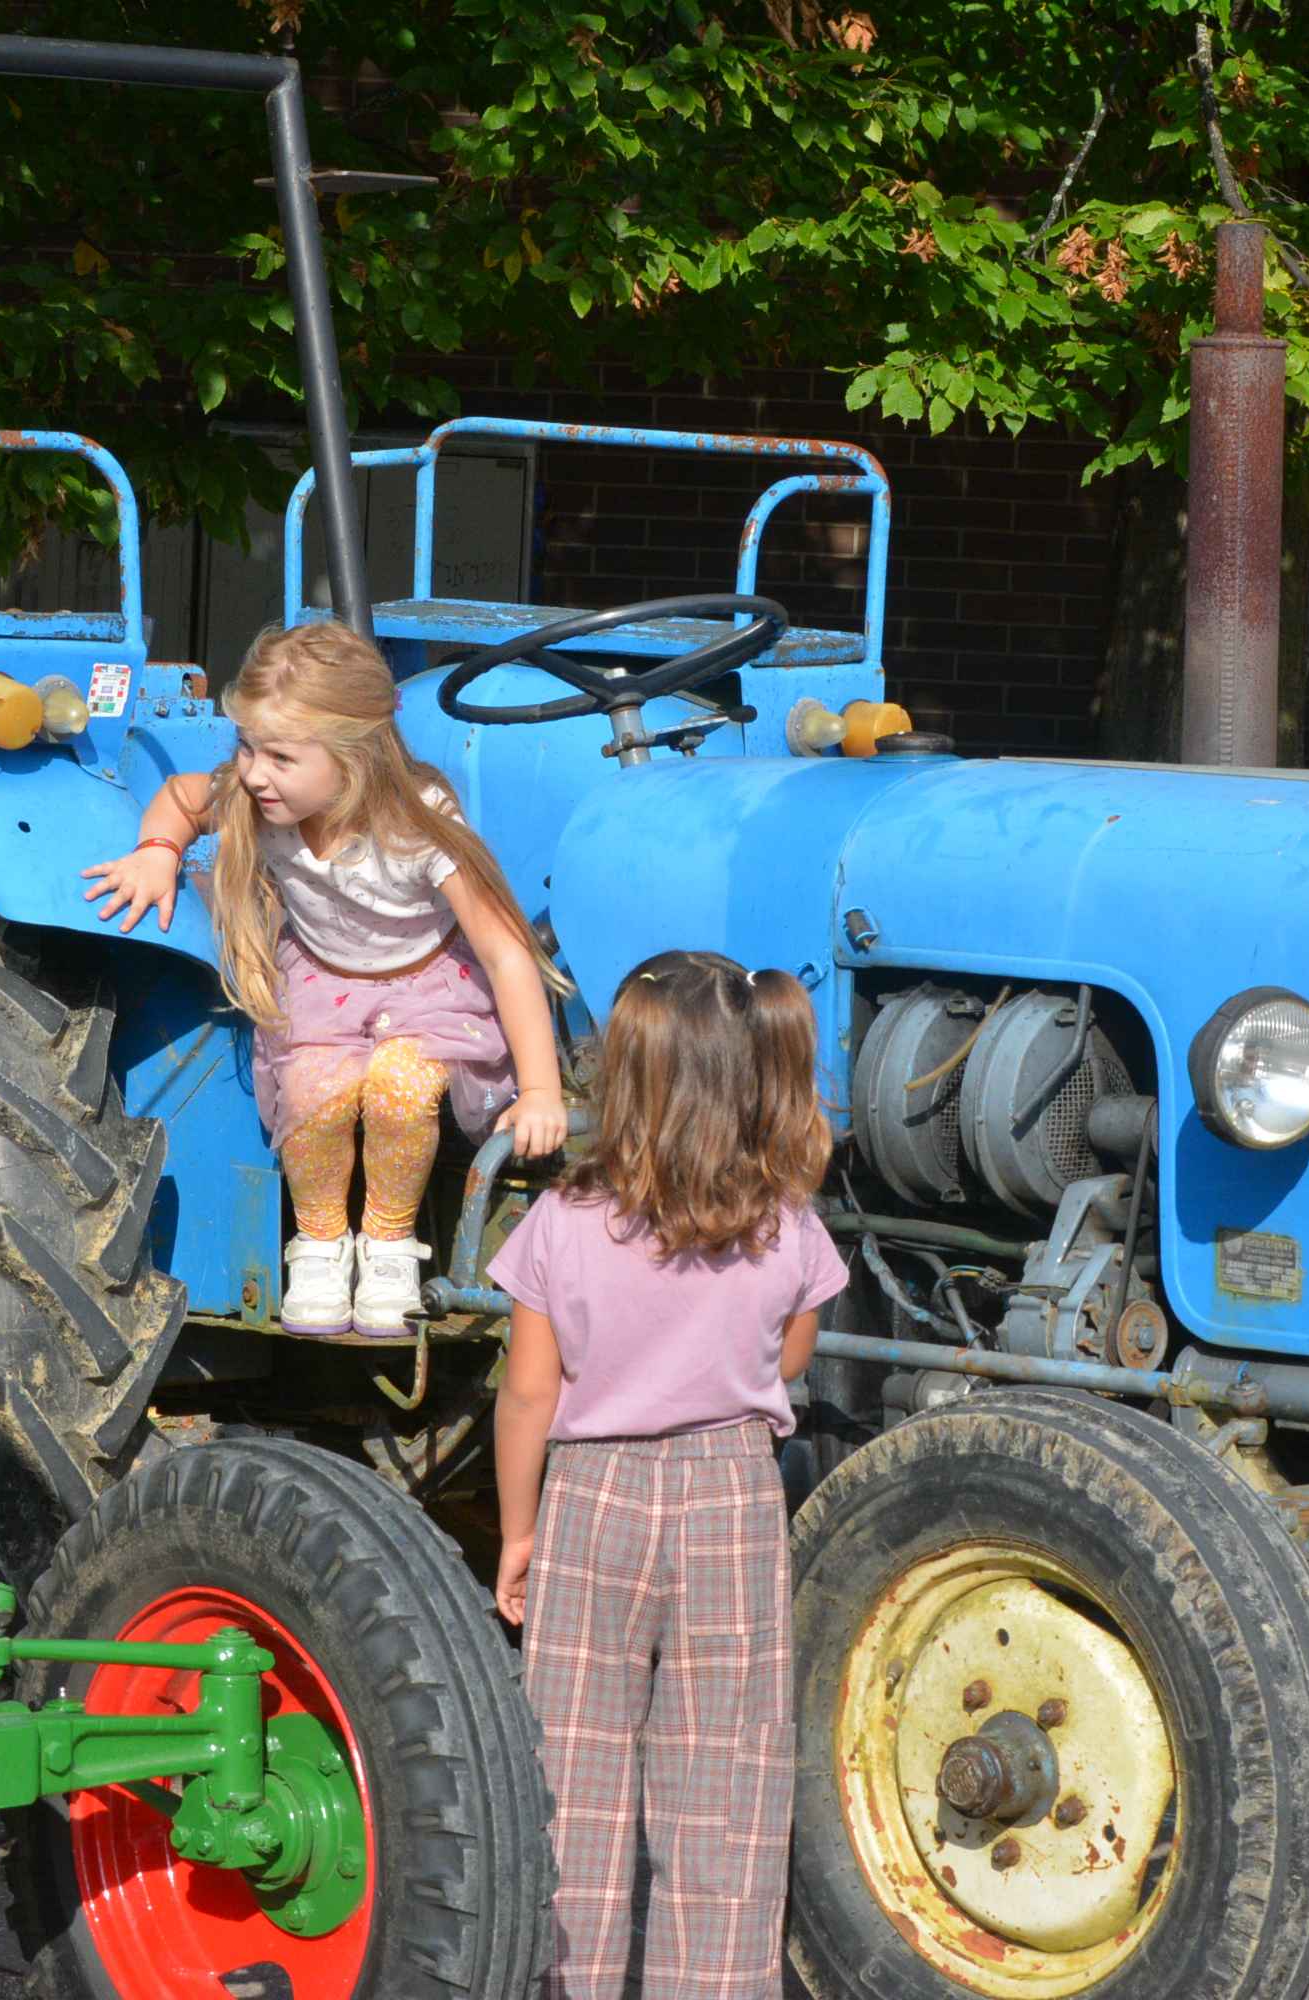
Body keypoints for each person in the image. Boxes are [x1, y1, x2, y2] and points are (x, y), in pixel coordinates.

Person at [485, 949, 845, 2000]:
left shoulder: (560, 1222)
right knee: (724, 1793)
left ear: (626, 1083)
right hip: (730, 1495)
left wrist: (517, 1529)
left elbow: (527, 1397)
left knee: (573, 1785)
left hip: (591, 1495)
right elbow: (784, 1360)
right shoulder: (788, 1222)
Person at [79, 619, 569, 1336]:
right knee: (313, 1094)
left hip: (426, 987)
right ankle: (318, 1246)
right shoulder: (257, 801)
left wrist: (542, 1091)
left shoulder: (416, 820)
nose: (251, 772)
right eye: (246, 747)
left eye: (279, 755)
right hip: (324, 987)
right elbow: (185, 800)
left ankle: (391, 1244)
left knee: (401, 1088)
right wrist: (156, 850)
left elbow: (503, 952)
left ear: (355, 757)